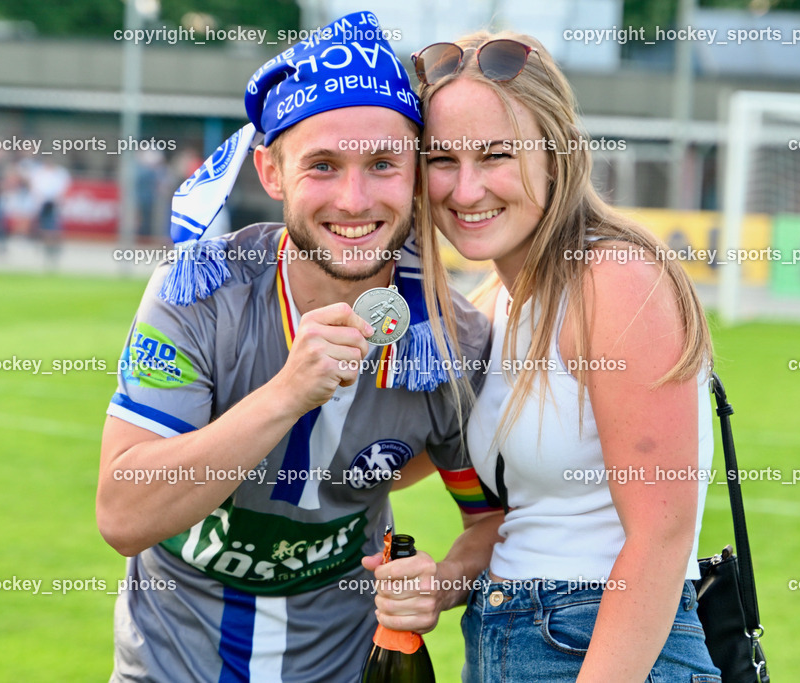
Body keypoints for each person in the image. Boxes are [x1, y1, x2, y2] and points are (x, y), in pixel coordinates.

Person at [96, 13, 502, 682]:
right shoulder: (200, 290)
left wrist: (441, 584)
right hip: (169, 666)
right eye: (323, 165)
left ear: (416, 172)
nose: (354, 199)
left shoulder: (449, 339)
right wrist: (287, 393)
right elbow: (123, 514)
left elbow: (492, 520)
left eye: (382, 164)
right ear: (272, 170)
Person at [412, 32, 720, 681]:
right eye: (441, 158)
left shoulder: (614, 280)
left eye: (496, 154)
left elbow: (660, 537)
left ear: (557, 155)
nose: (465, 189)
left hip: (601, 644)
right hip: (503, 639)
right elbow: (515, 518)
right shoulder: (491, 305)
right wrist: (442, 581)